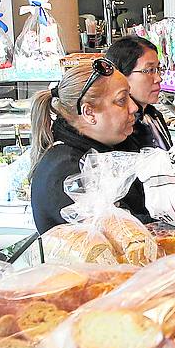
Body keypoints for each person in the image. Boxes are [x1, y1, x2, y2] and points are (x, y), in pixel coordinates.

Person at [28, 57, 148, 234]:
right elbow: (121, 237)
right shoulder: (67, 171)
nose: (133, 107)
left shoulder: (109, 148)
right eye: (122, 100)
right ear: (89, 112)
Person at [106, 35, 172, 151]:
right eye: (150, 70)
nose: (158, 78)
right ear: (121, 75)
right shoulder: (121, 129)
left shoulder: (153, 115)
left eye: (158, 69)